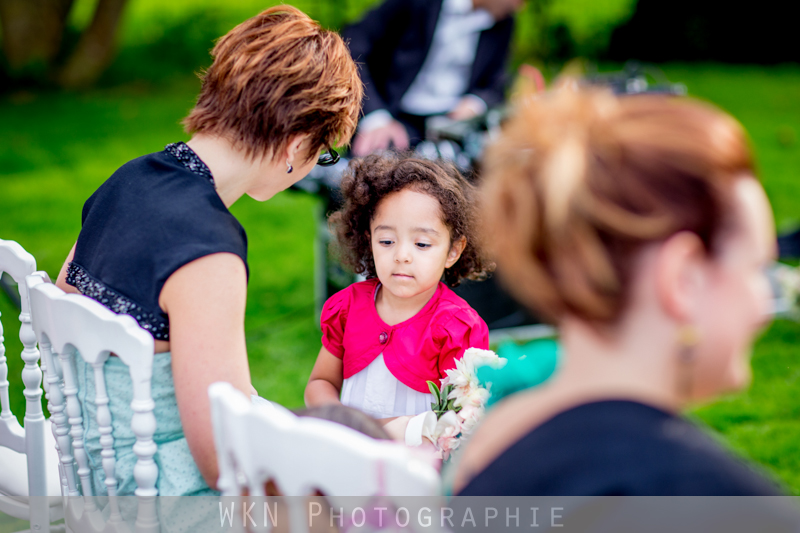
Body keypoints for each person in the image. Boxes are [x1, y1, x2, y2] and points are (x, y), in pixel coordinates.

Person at [53, 6, 361, 495]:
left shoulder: (129, 179)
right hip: (157, 498)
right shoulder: (208, 252)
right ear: (296, 144)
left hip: (93, 460)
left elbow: (66, 302)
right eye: (322, 152)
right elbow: (224, 461)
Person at [452, 87, 786, 497]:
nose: (763, 306)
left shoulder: (484, 441)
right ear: (682, 279)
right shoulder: (719, 504)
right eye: (755, 270)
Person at [304, 155, 493, 436]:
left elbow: (463, 415)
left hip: (414, 465)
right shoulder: (348, 306)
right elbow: (320, 382)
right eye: (387, 241)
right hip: (349, 454)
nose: (402, 255)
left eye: (422, 243)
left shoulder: (456, 328)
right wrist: (339, 421)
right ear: (368, 239)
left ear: (453, 250)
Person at [344, 0, 523, 156]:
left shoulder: (503, 21)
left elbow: (497, 81)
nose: (519, 6)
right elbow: (353, 45)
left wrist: (475, 102)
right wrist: (376, 117)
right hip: (395, 117)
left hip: (451, 125)